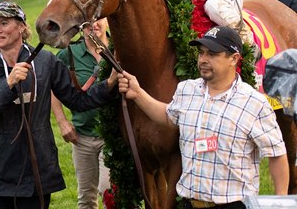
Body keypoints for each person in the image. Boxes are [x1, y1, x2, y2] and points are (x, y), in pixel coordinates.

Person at [0, 2, 118, 209]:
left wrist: (108, 86)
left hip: (37, 169)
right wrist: (8, 84)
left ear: (21, 27)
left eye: (3, 23)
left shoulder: (45, 61)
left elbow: (77, 100)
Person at [117, 25, 289, 208]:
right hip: (189, 203)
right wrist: (137, 94)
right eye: (201, 53)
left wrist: (280, 202)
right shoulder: (187, 90)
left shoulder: (254, 103)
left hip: (233, 204)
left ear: (234, 58)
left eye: (212, 54)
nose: (203, 59)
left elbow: (276, 154)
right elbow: (169, 117)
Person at [51, 18, 110, 209]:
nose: (93, 24)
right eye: (87, 20)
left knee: (108, 190)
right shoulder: (69, 53)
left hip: (113, 136)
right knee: (86, 198)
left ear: (108, 20)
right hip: (82, 137)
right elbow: (54, 87)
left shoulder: (119, 48)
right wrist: (62, 121)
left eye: (98, 18)